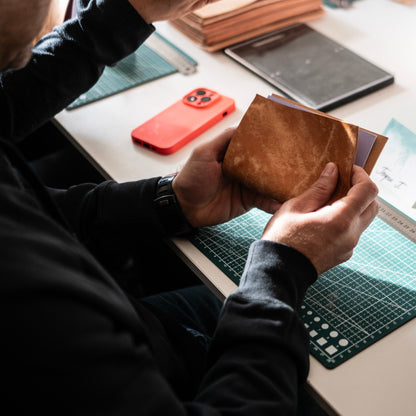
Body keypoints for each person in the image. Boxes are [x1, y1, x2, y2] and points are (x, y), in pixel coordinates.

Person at [0, 0, 379, 414]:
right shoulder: (31, 308)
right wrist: (281, 267)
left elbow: (35, 205)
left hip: (149, 326)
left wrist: (169, 201)